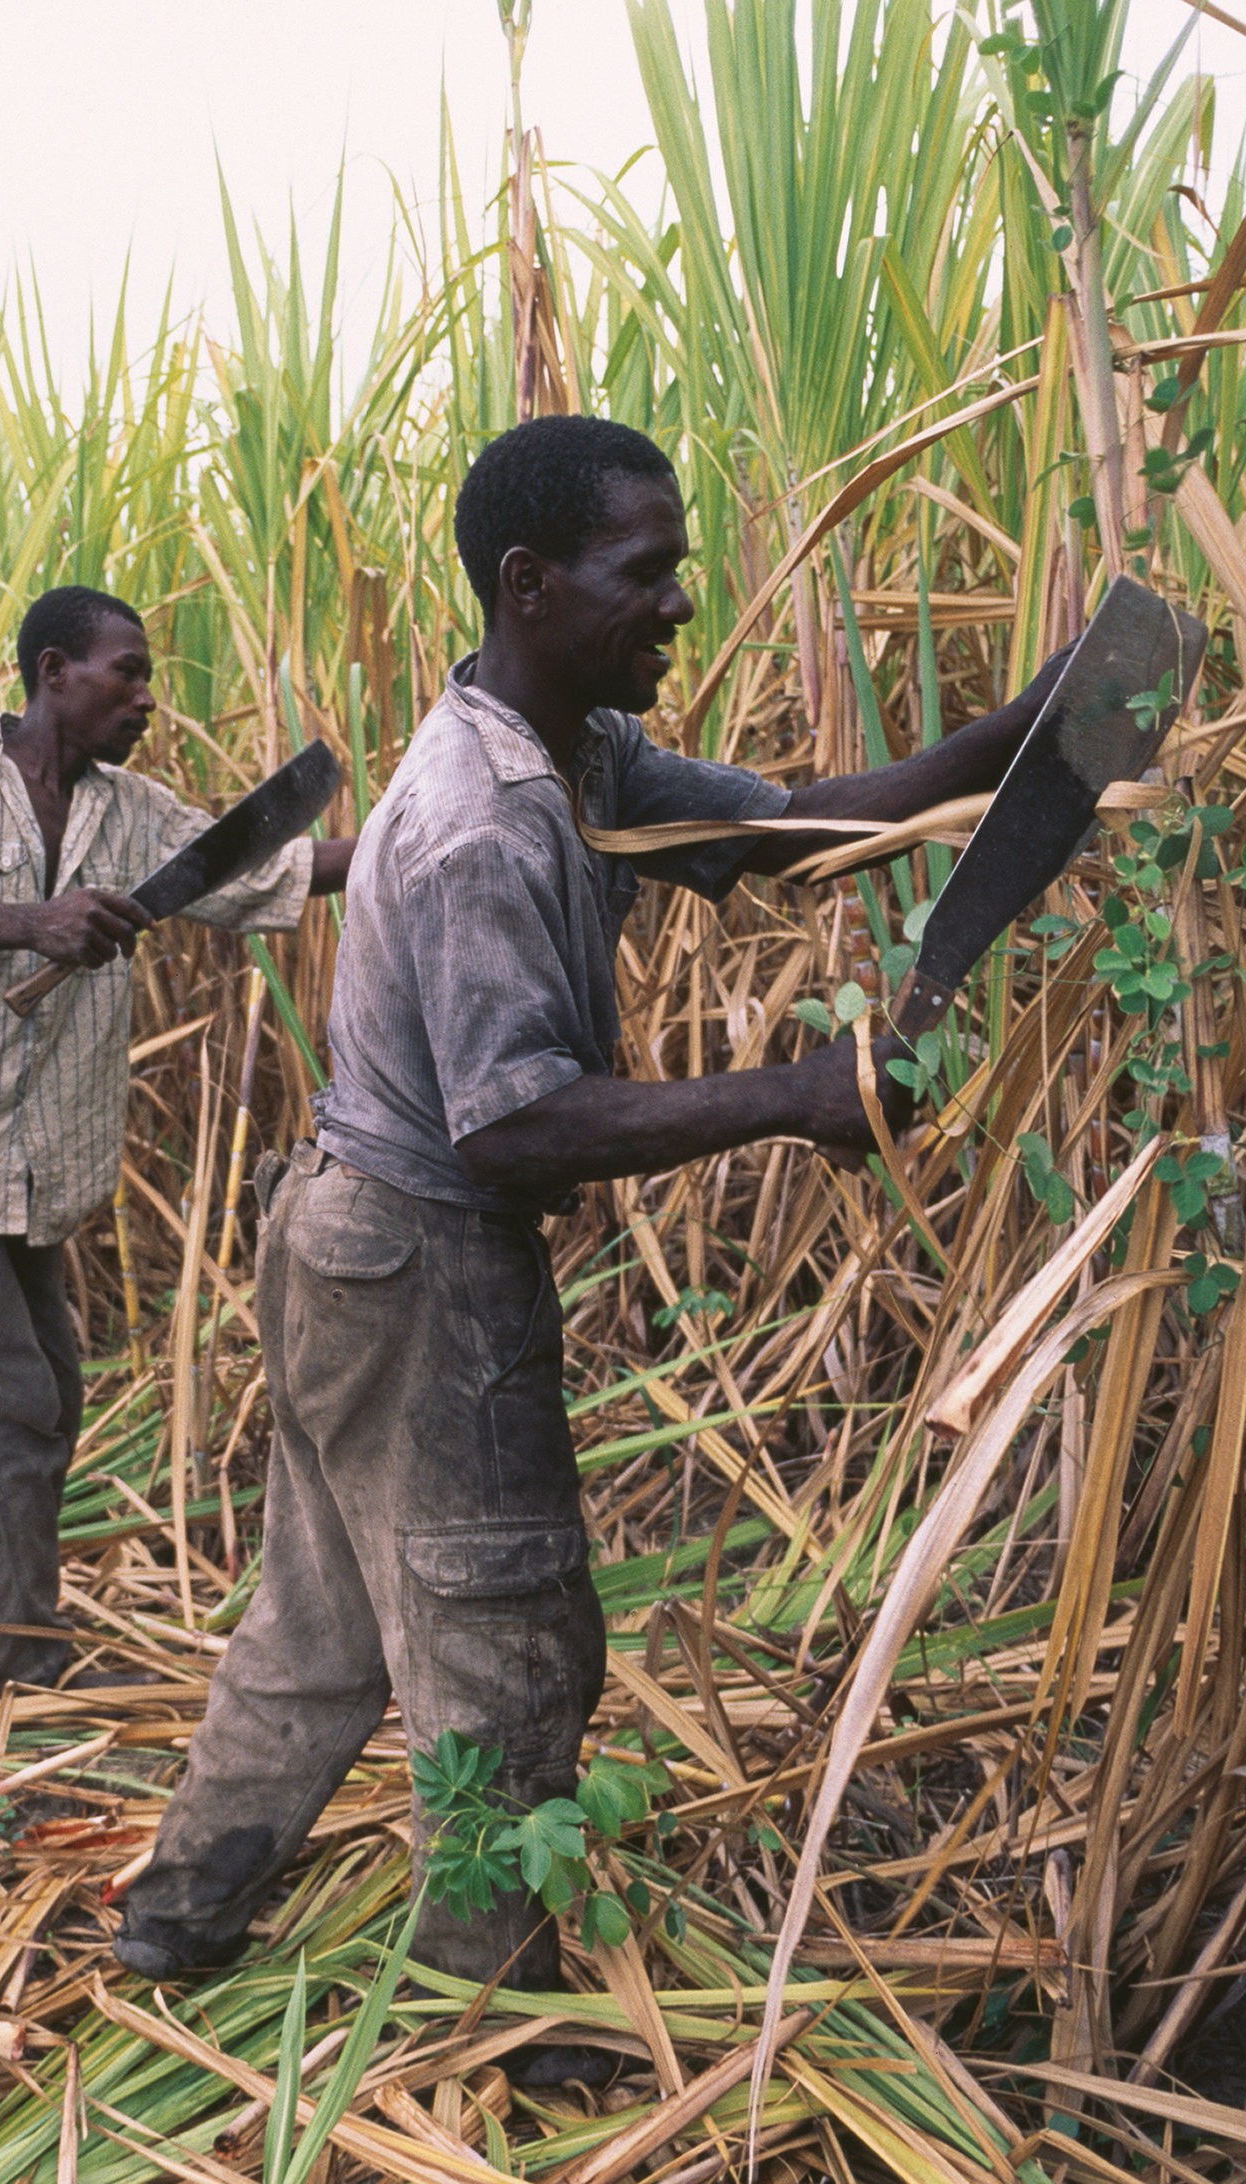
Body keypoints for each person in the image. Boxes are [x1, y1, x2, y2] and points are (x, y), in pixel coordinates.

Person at [117, 416, 1142, 2041]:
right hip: (420, 1265)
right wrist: (793, 1096)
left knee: (323, 1615)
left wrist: (1042, 723)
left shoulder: (577, 749)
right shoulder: (482, 821)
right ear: (532, 585)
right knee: (509, 1643)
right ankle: (487, 2014)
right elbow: (511, 1120)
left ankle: (178, 1918)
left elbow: (798, 822)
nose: (680, 604)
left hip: (349, 1250)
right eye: (645, 573)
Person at [0, 586, 354, 1692]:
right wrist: (29, 920)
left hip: (26, 1162)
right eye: (128, 672)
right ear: (54, 671)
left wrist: (426, 831)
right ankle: (15, 1669)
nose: (147, 698)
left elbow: (270, 872)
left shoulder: (130, 810)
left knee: (41, 1394)